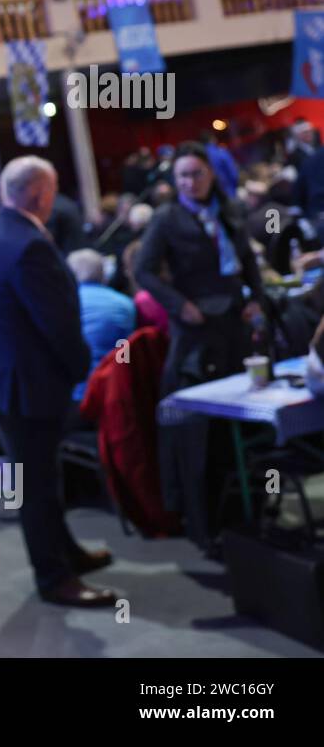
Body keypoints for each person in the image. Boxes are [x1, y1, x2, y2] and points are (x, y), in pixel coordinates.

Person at [0, 156, 110, 607]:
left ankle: (65, 554)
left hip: (5, 382)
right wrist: (78, 368)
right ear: (39, 193)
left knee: (44, 481)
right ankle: (54, 578)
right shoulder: (28, 244)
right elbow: (57, 322)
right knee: (37, 488)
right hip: (27, 384)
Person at [136, 141, 265, 549]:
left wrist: (255, 298)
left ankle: (250, 512)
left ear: (211, 174)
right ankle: (205, 523)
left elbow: (248, 261)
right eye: (182, 177)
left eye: (197, 174)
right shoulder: (167, 219)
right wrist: (180, 305)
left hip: (234, 326)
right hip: (195, 334)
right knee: (200, 433)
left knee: (243, 422)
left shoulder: (229, 211)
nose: (190, 182)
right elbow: (144, 271)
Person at [66, 249, 136, 403]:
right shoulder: (125, 304)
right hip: (113, 392)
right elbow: (124, 355)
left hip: (74, 393)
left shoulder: (63, 303)